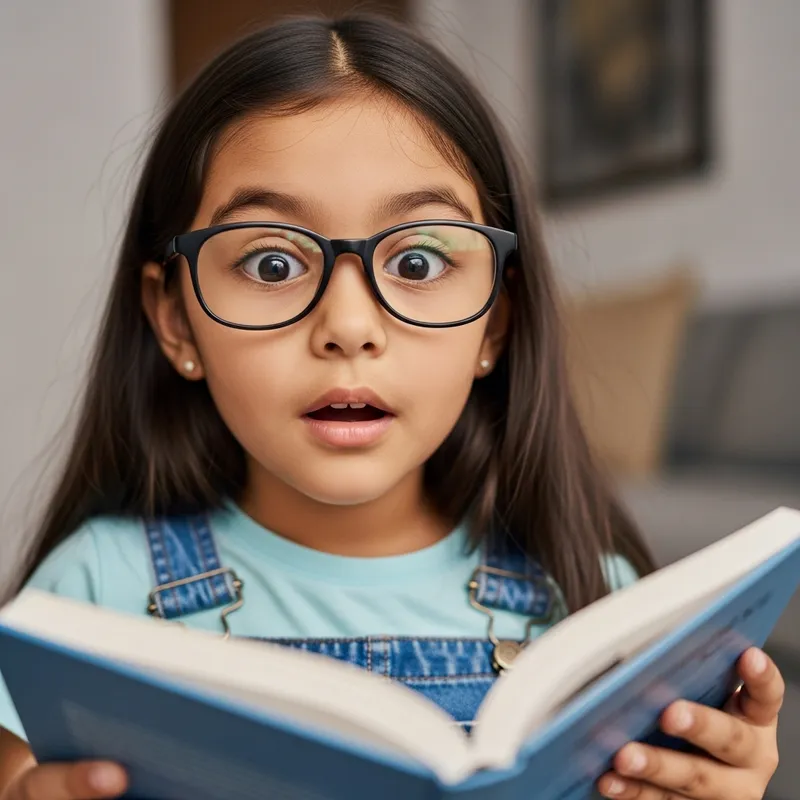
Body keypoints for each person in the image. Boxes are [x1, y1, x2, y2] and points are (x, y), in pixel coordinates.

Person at [0, 14, 784, 800]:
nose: (349, 326)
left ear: (495, 322)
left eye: (417, 261)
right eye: (271, 263)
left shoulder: (593, 598)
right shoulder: (93, 594)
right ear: (176, 320)